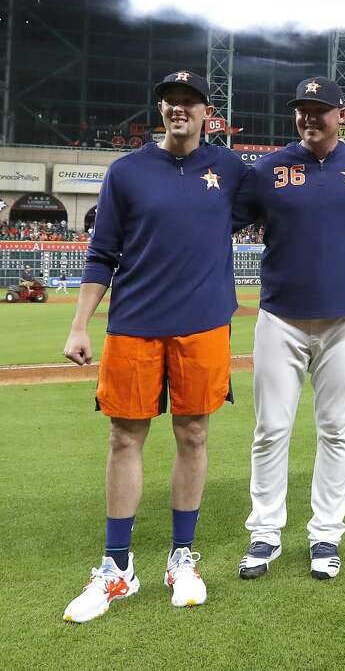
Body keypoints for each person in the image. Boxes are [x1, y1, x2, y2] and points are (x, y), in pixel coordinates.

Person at [61, 70, 248, 623]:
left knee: (193, 432)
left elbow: (279, 209)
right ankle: (117, 568)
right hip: (135, 322)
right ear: (161, 109)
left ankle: (181, 559)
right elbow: (102, 253)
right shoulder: (127, 171)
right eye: (171, 101)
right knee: (125, 437)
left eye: (190, 101)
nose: (179, 109)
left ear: (207, 112)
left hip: (204, 323)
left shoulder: (231, 169)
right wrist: (79, 325)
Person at [236, 77, 345, 581]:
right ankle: (265, 532)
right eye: (301, 109)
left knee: (337, 431)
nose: (308, 118)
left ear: (341, 114)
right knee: (271, 429)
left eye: (319, 109)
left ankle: (326, 535)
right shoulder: (268, 168)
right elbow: (225, 220)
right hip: (281, 317)